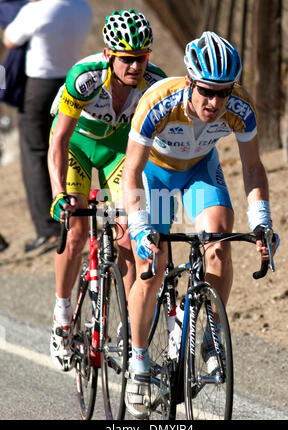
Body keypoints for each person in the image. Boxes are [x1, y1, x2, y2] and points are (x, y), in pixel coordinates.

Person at [122, 31, 280, 419]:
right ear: (190, 83)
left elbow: (253, 166)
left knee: (220, 242)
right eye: (206, 91)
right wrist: (141, 227)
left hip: (199, 170)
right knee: (151, 267)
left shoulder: (240, 107)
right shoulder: (158, 102)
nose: (214, 103)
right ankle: (139, 363)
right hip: (153, 175)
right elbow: (131, 173)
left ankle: (208, 332)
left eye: (223, 92)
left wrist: (261, 222)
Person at [47, 9, 167, 371]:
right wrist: (58, 195)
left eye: (142, 58)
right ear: (108, 54)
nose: (136, 66)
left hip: (118, 149)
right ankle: (62, 315)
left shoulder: (153, 81)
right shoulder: (84, 78)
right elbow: (59, 142)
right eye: (127, 59)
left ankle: (130, 325)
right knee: (77, 229)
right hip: (78, 146)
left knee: (129, 233)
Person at [2, 0, 93, 252]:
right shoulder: (82, 7)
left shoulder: (36, 10)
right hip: (71, 83)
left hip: (39, 87)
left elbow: (10, 39)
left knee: (35, 153)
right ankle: (70, 219)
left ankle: (48, 229)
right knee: (64, 146)